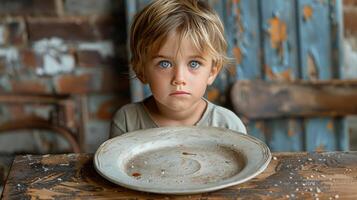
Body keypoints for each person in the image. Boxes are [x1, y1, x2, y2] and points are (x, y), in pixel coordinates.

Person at [110, 0, 246, 138]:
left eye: (194, 64)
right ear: (141, 71)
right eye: (164, 64)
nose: (179, 79)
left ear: (212, 72)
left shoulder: (228, 126)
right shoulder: (127, 122)